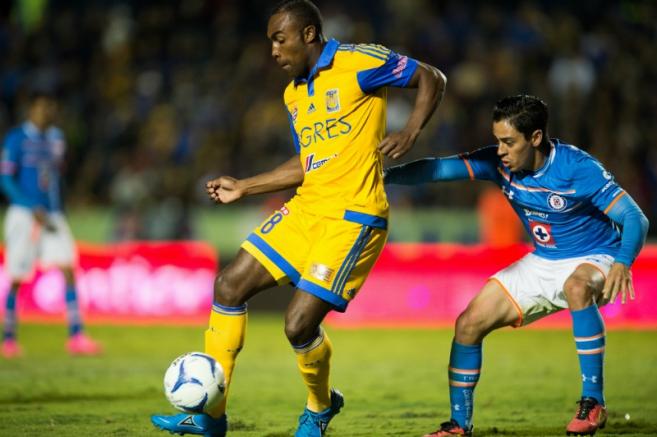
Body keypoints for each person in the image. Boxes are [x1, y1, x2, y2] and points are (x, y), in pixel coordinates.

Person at [151, 0, 446, 436]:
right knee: (229, 285)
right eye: (270, 40)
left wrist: (411, 130)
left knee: (297, 324)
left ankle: (319, 407)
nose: (272, 49)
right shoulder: (293, 94)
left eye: (279, 38)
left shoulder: (357, 61)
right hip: (307, 208)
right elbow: (310, 161)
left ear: (309, 34)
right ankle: (209, 416)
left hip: (353, 216)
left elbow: (430, 77)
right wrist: (245, 186)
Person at [384, 95, 649, 437]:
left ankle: (593, 403)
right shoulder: (498, 165)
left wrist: (622, 264)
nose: (500, 151)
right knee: (468, 323)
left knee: (576, 287)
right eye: (497, 141)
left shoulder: (577, 167)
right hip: (542, 260)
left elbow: (634, 217)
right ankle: (458, 425)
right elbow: (436, 169)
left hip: (596, 254)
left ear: (535, 138)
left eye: (509, 142)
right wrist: (384, 175)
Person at [0, 92, 102, 358]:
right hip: (24, 214)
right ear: (31, 110)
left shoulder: (57, 138)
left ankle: (77, 336)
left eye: (52, 108)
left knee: (69, 266)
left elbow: (56, 178)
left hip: (52, 214)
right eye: (43, 108)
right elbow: (6, 179)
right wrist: (29, 205)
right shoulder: (16, 139)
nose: (48, 112)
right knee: (17, 277)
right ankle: (9, 339)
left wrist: (60, 208)